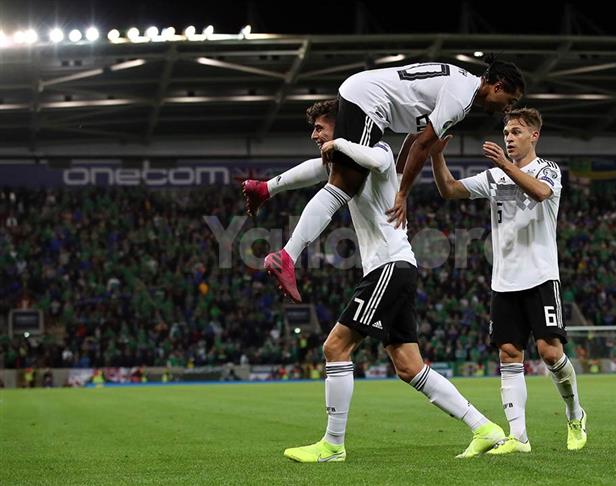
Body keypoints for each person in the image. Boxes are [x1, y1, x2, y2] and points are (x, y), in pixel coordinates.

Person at [246, 100, 507, 462]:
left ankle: (332, 445)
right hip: (394, 269)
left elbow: (379, 159)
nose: (315, 135)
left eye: (321, 128)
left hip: (390, 267)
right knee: (409, 367)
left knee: (335, 348)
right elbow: (310, 170)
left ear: (342, 126)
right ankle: (485, 428)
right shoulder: (342, 164)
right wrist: (269, 187)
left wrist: (339, 143)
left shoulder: (377, 149)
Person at [242, 57, 525, 302]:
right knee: (343, 185)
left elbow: (415, 136)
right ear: (498, 86)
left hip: (364, 96)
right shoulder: (461, 98)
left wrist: (400, 180)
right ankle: (287, 256)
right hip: (369, 103)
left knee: (339, 167)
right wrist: (402, 194)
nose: (506, 108)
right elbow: (422, 146)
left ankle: (265, 189)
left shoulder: (461, 84)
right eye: (510, 100)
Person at [429, 107, 587, 454]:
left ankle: (575, 413)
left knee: (550, 352)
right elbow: (450, 189)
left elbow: (541, 193)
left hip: (541, 275)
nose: (509, 138)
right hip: (504, 280)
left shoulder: (547, 169)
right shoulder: (494, 176)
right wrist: (437, 156)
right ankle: (519, 437)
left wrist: (504, 164)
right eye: (506, 133)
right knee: (509, 353)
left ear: (534, 136)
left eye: (516, 132)